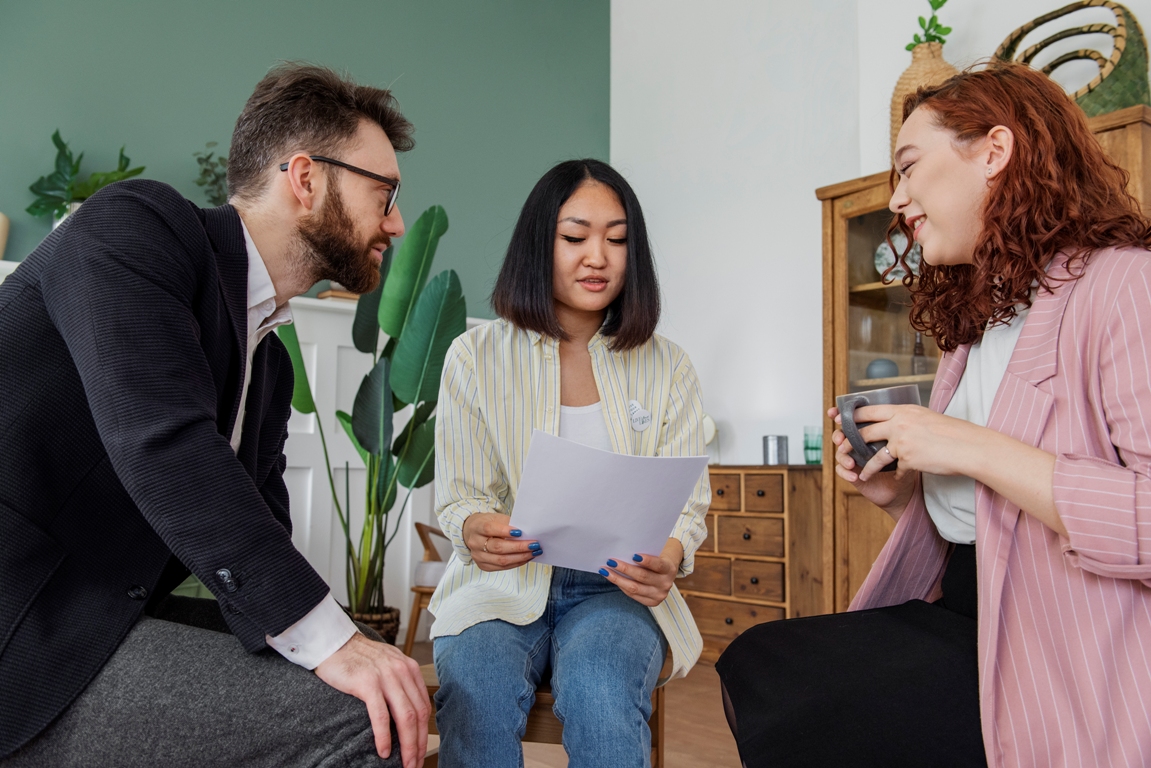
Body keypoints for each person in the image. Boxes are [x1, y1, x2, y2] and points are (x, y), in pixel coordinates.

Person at [717, 61, 1151, 768]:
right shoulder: (979, 327)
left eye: (909, 167)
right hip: (966, 610)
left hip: (1064, 639)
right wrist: (901, 497)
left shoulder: (1126, 283)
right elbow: (986, 524)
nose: (896, 199)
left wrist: (966, 445)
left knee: (802, 696)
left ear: (993, 152)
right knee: (764, 662)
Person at [0, 64, 430, 768]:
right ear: (305, 178)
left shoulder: (270, 366)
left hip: (99, 613)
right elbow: (162, 442)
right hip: (26, 630)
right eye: (383, 192)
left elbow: (264, 536)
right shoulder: (133, 228)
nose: (396, 222)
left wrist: (350, 645)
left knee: (381, 686)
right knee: (362, 722)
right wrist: (337, 647)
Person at [428, 159, 710, 767]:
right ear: (540, 242)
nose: (598, 257)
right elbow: (459, 495)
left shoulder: (670, 366)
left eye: (617, 239)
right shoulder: (474, 356)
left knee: (604, 689)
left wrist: (673, 552)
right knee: (476, 689)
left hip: (616, 589)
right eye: (576, 237)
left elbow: (687, 500)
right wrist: (474, 527)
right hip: (500, 584)